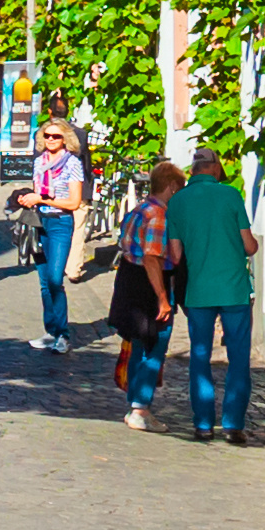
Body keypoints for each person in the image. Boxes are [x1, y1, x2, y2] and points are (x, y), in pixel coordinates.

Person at [174, 149, 262, 439]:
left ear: (193, 170)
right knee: (238, 358)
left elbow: (174, 255)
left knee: (200, 356)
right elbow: (249, 246)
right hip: (234, 288)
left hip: (198, 290)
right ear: (215, 168)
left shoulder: (178, 201)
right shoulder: (231, 195)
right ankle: (234, 424)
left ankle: (202, 423)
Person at [108, 161, 182, 428]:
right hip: (149, 285)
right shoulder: (158, 215)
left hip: (129, 281)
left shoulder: (139, 209)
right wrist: (162, 298)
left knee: (139, 343)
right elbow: (152, 258)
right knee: (154, 345)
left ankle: (135, 404)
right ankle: (140, 408)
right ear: (172, 186)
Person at [29, 119, 90, 346]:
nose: (50, 140)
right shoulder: (39, 162)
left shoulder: (72, 164)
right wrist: (27, 199)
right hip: (40, 221)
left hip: (61, 222)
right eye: (47, 135)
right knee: (44, 281)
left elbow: (74, 202)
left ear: (66, 139)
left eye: (56, 136)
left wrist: (42, 198)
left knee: (55, 278)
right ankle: (51, 330)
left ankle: (63, 334)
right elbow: (36, 192)